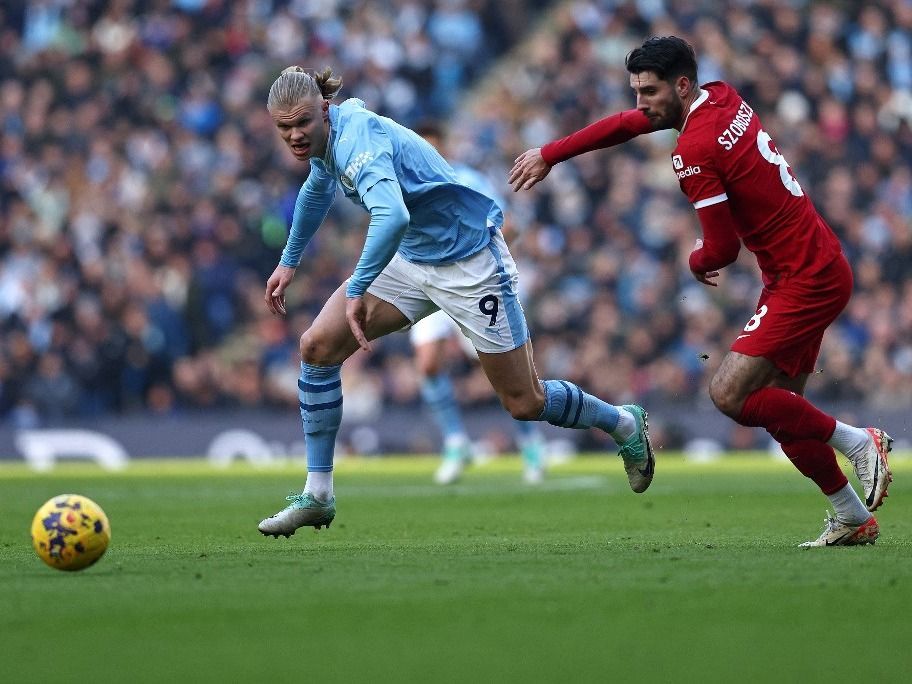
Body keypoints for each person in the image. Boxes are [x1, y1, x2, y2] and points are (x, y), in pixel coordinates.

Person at [509, 36, 893, 548]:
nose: (640, 103)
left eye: (648, 91)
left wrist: (694, 258)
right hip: (813, 266)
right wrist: (551, 154)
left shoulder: (692, 150)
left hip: (804, 278)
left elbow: (721, 250)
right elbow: (628, 124)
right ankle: (851, 515)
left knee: (729, 395)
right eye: (636, 91)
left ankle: (857, 440)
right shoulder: (721, 96)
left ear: (681, 84)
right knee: (780, 408)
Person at [257, 66, 655, 538]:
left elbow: (391, 216)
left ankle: (622, 423)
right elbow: (317, 188)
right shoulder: (330, 137)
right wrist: (289, 261)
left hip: (469, 263)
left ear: (323, 109)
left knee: (524, 402)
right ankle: (318, 494)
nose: (295, 135)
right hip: (411, 259)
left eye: (302, 123)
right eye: (284, 128)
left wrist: (359, 287)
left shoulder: (356, 138)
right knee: (317, 348)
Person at [412, 122, 546, 486]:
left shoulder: (467, 179)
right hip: (427, 283)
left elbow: (509, 225)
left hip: (469, 284)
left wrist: (479, 259)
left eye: (435, 147)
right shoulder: (406, 183)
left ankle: (531, 441)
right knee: (427, 364)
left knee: (502, 371)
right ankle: (456, 443)